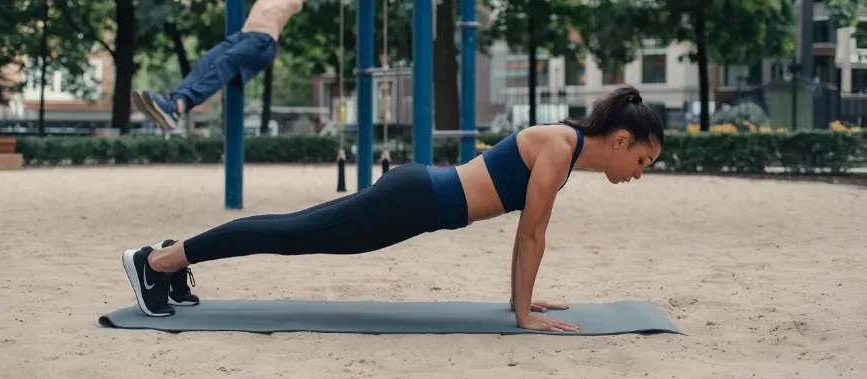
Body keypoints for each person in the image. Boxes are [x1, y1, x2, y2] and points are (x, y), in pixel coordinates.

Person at [120, 85, 664, 332]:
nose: (639, 173)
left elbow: (527, 235)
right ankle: (157, 263)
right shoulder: (560, 146)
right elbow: (530, 236)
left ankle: (168, 261)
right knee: (290, 232)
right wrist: (522, 316)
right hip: (412, 201)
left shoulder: (564, 150)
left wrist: (523, 302)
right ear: (620, 140)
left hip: (416, 200)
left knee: (294, 232)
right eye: (643, 160)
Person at [131, 0, 313, 130]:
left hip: (262, 42)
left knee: (226, 60)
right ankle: (173, 104)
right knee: (208, 61)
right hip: (243, 37)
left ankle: (181, 104)